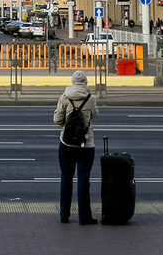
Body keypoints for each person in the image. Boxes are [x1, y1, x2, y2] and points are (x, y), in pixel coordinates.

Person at [53, 70, 98, 224]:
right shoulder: (90, 98)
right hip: (86, 145)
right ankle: (84, 216)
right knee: (83, 180)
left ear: (72, 82)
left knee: (66, 178)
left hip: (67, 143)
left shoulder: (65, 97)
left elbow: (57, 120)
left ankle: (64, 215)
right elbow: (95, 115)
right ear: (85, 82)